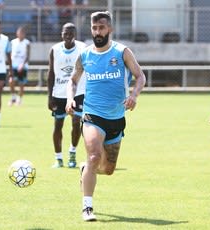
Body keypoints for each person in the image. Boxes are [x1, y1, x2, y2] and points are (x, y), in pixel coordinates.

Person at [65, 11, 146, 221]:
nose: (97, 32)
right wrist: (69, 99)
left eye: (101, 28)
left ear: (109, 29)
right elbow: (73, 80)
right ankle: (87, 207)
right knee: (93, 156)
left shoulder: (122, 52)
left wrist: (134, 95)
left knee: (108, 169)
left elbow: (140, 76)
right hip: (92, 114)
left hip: (116, 117)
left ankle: (85, 169)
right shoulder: (85, 55)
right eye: (94, 28)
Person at [47, 22, 86, 168]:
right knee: (58, 125)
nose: (68, 36)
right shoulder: (55, 49)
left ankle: (72, 152)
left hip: (78, 93)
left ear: (75, 35)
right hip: (59, 94)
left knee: (76, 122)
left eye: (71, 33)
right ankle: (58, 158)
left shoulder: (83, 48)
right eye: (65, 33)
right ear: (61, 34)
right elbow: (51, 73)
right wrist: (49, 96)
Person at [8, 26, 31, 106]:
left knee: (21, 84)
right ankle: (13, 96)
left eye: (22, 33)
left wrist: (22, 64)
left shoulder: (27, 43)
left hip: (23, 66)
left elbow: (28, 56)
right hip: (14, 65)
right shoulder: (13, 42)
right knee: (11, 81)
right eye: (19, 32)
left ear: (24, 34)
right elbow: (10, 54)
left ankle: (19, 99)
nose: (20, 34)